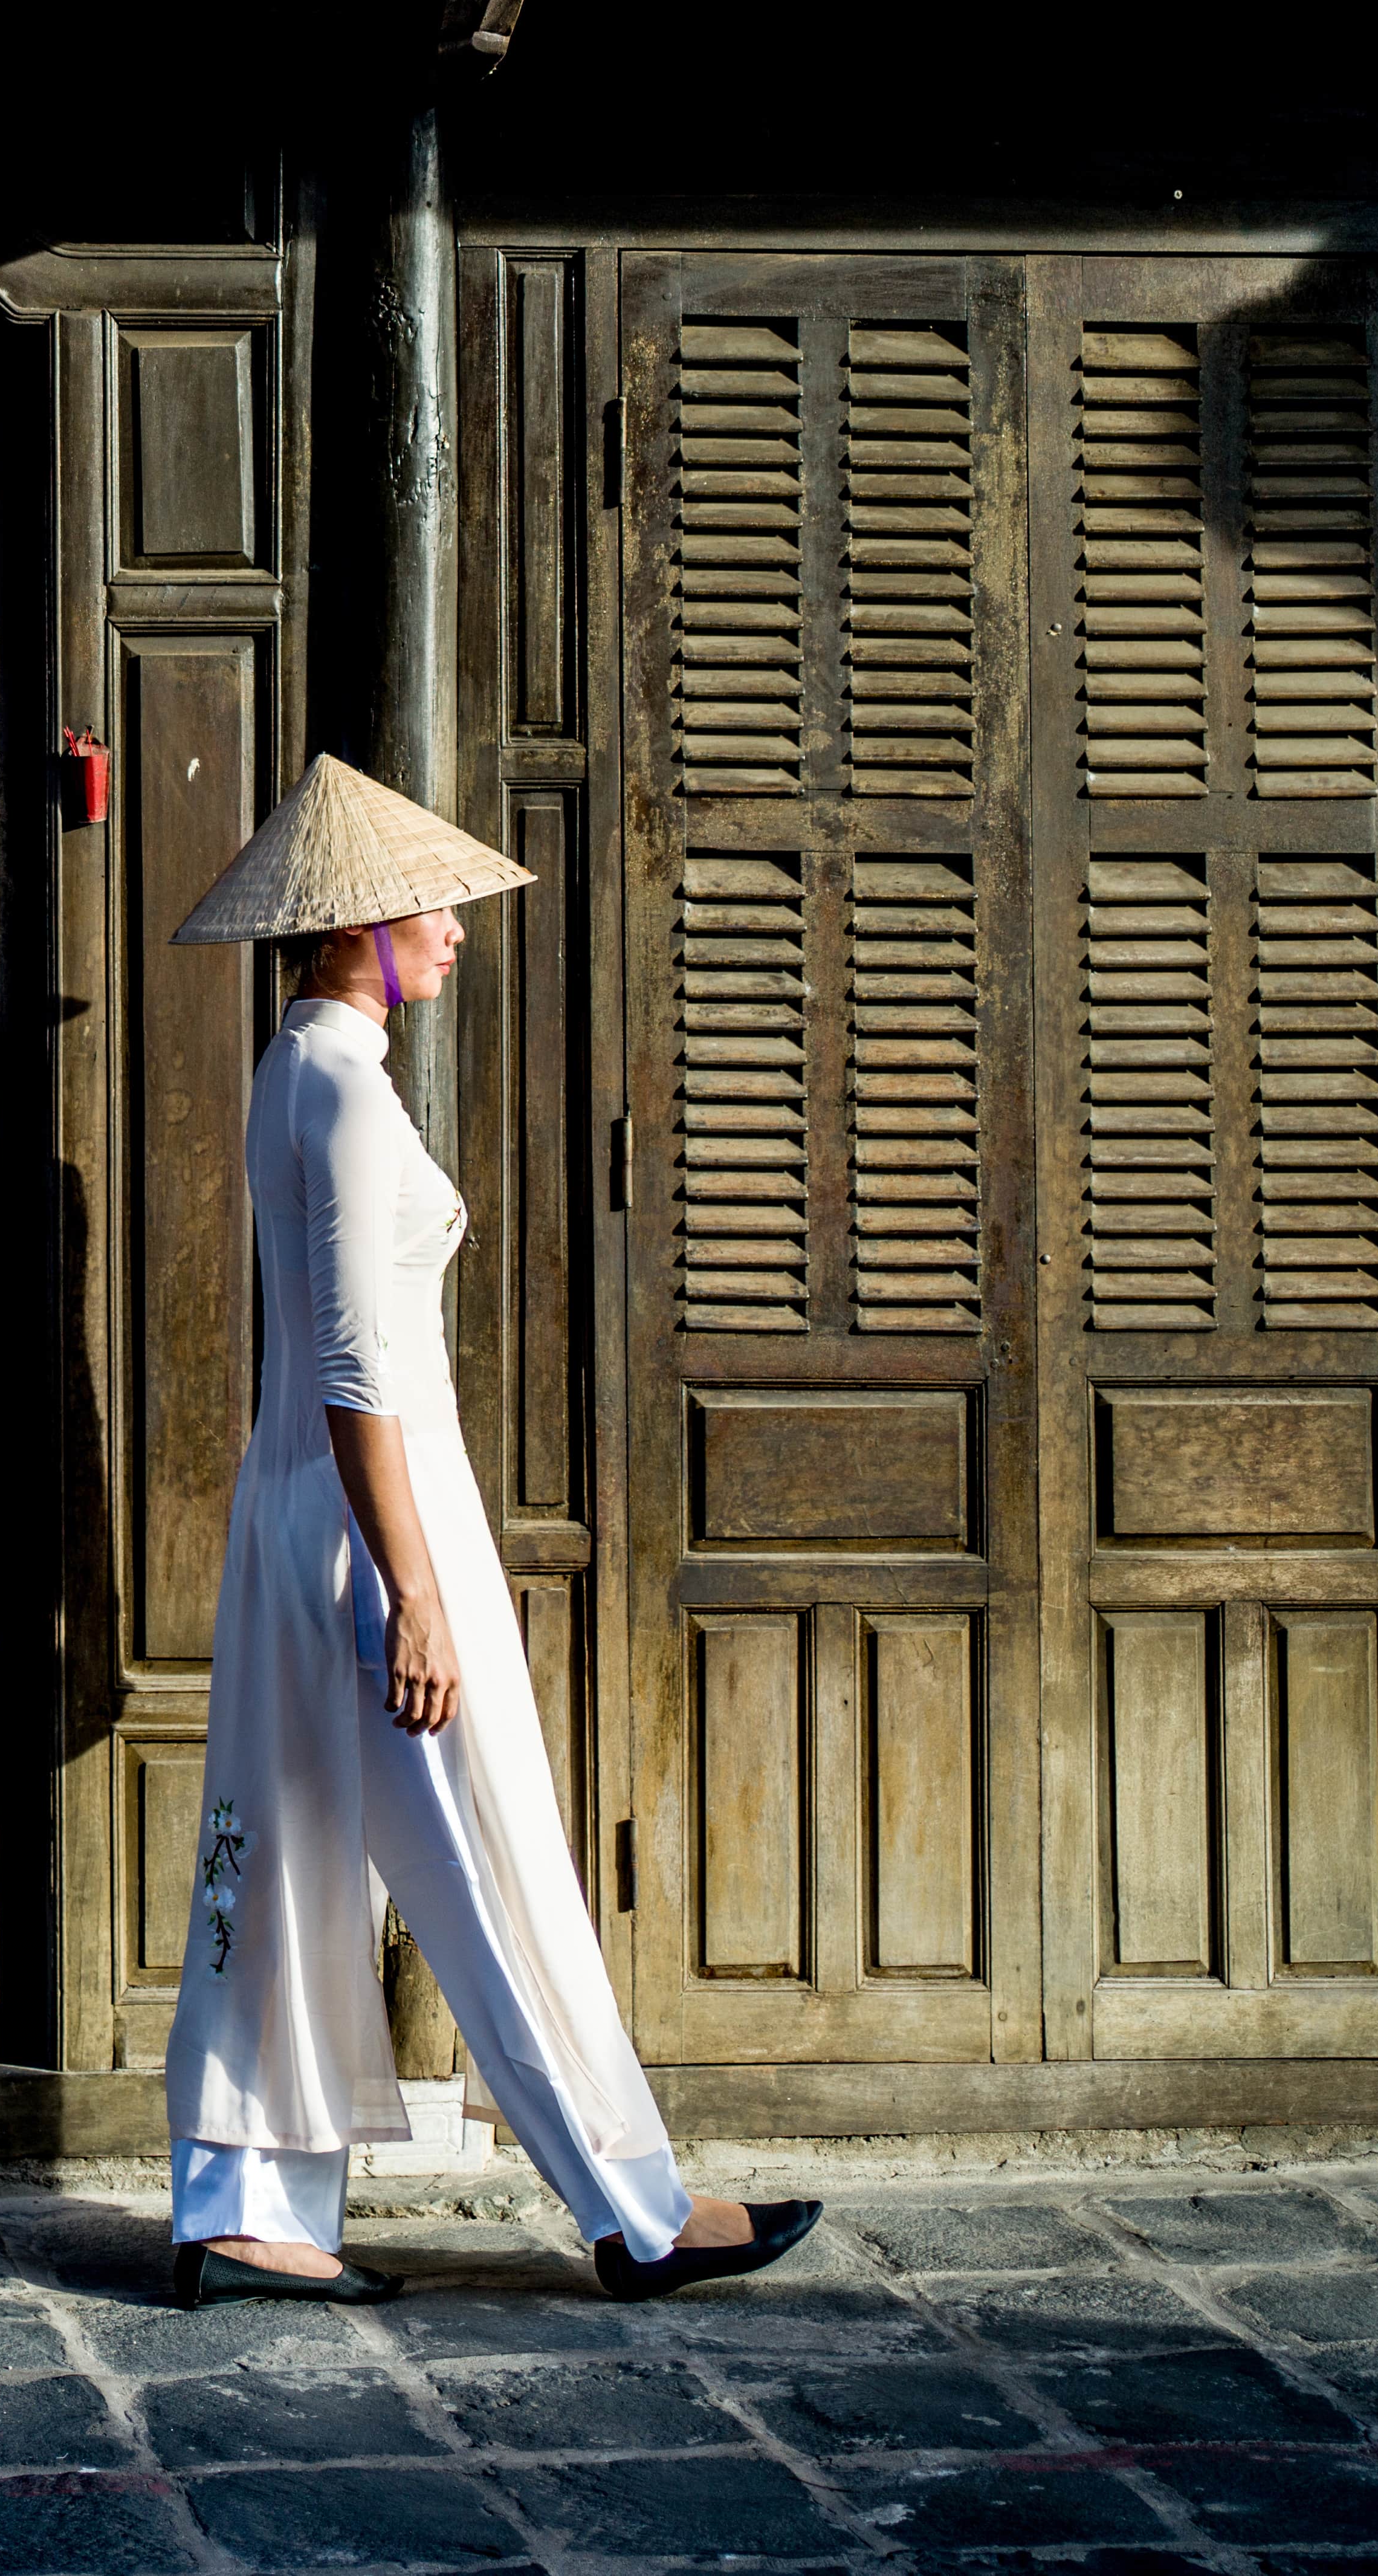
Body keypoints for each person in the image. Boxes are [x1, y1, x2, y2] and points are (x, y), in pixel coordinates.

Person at [157, 756, 821, 2308]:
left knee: (297, 1846)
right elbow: (347, 1363)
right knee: (486, 1847)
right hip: (370, 1521)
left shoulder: (309, 1067)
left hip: (314, 1508)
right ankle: (636, 2209)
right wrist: (417, 1593)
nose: (454, 924)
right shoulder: (331, 1088)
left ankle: (244, 2209)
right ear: (357, 924)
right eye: (431, 902)